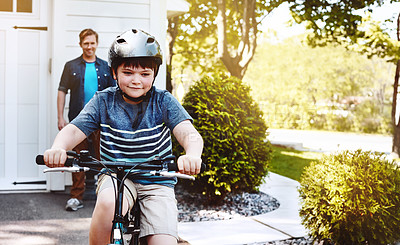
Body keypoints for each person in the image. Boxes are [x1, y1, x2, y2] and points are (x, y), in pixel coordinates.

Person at [43, 29, 204, 245]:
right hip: (116, 176)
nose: (136, 80)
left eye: (145, 74)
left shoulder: (164, 101)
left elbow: (188, 133)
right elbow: (73, 130)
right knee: (109, 202)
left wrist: (192, 154)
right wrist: (58, 147)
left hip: (156, 181)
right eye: (128, 72)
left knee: (163, 242)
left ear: (154, 75)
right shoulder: (103, 101)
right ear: (113, 72)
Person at [57, 28, 116, 211]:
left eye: (92, 43)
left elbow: (114, 94)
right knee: (77, 160)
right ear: (80, 44)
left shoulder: (106, 67)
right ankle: (76, 197)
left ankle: (104, 198)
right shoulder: (71, 66)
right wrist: (60, 117)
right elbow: (62, 91)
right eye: (86, 43)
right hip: (78, 122)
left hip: (102, 122)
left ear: (97, 44)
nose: (89, 47)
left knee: (102, 159)